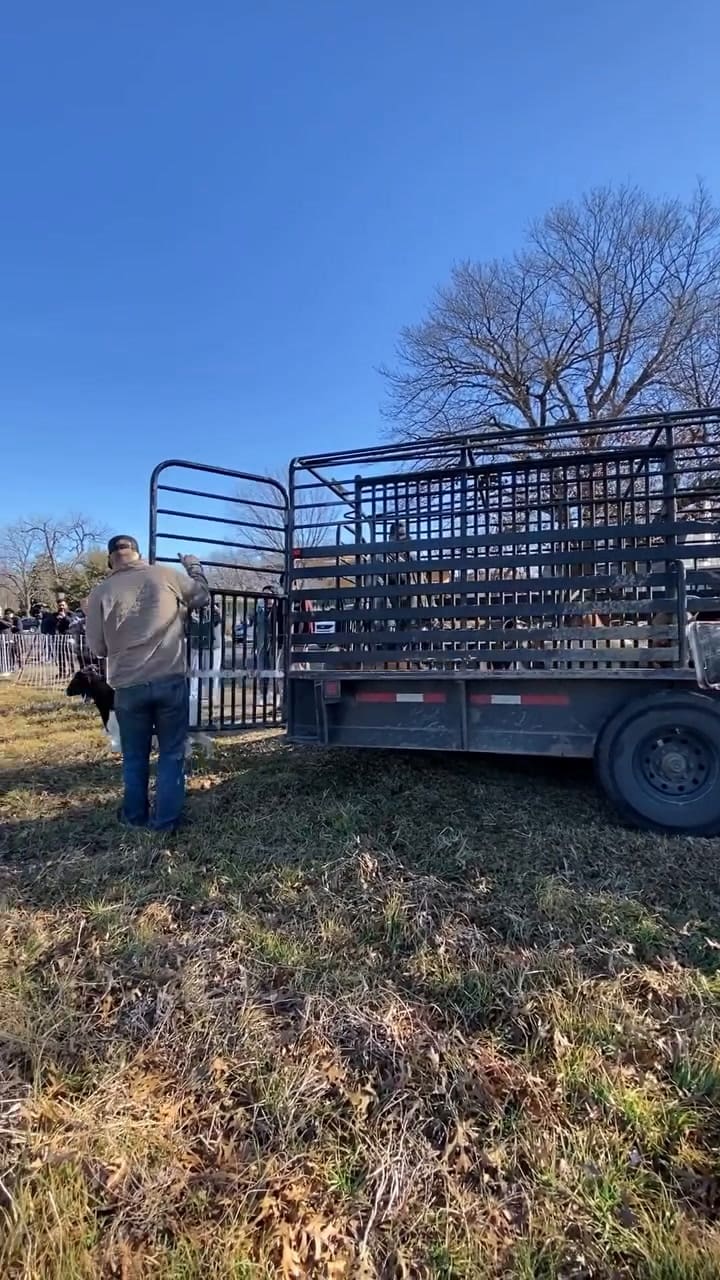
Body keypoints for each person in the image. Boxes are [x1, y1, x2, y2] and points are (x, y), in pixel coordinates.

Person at [86, 534, 210, 831]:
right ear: (138, 554)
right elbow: (203, 596)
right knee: (171, 753)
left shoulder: (100, 593)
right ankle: (166, 822)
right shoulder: (165, 574)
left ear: (110, 560)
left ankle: (134, 817)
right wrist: (194, 568)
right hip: (169, 678)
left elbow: (98, 649)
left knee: (134, 756)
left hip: (128, 685)